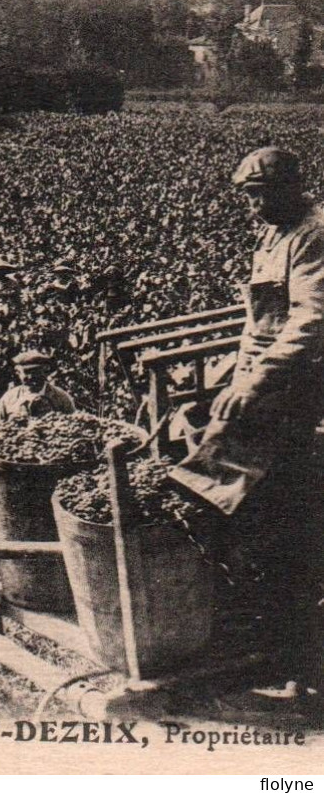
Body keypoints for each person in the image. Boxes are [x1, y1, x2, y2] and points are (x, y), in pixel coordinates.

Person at [174, 146, 324, 707]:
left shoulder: (312, 233)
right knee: (228, 499)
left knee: (286, 528)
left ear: (289, 187)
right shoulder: (273, 234)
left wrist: (253, 384)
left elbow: (312, 320)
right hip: (265, 392)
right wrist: (233, 379)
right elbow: (259, 323)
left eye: (259, 193)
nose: (251, 205)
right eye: (246, 195)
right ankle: (255, 637)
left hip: (296, 397)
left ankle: (301, 671)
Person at [0, 350, 77, 425]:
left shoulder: (61, 398)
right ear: (18, 373)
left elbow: (74, 426)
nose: (30, 377)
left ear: (45, 371)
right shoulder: (9, 398)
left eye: (36, 372)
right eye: (26, 372)